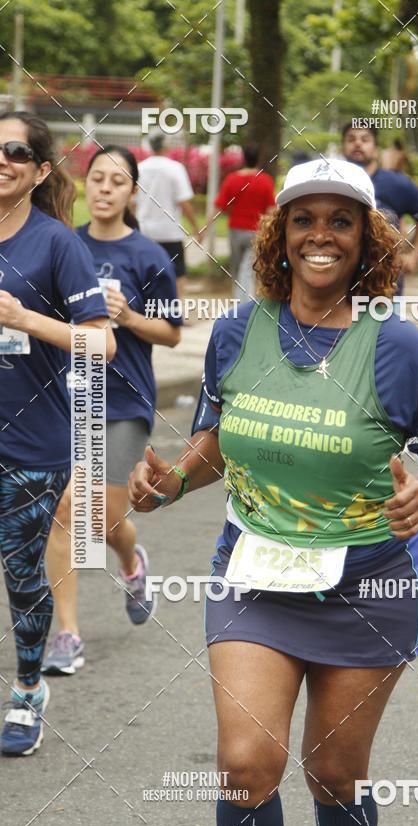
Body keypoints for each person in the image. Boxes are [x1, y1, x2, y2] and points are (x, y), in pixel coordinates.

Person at [128, 158, 418, 826]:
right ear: (278, 234)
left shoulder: (397, 344)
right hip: (256, 572)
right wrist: (171, 481)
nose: (322, 235)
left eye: (340, 220)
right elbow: (216, 438)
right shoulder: (237, 331)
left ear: (366, 238)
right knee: (246, 764)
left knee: (333, 773)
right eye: (304, 219)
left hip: (368, 583)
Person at [0, 112, 116, 756]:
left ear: (41, 169)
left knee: (21, 574)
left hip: (29, 440)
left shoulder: (57, 244)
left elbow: (102, 342)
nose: (3, 159)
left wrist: (25, 318)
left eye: (16, 151)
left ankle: (26, 690)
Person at [42, 145, 182, 676]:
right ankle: (68, 634)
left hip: (123, 400)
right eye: (96, 178)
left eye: (116, 182)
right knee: (66, 512)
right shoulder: (61, 244)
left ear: (132, 193)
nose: (104, 188)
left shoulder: (149, 256)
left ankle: (130, 560)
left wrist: (128, 317)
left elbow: (171, 334)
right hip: (66, 394)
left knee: (103, 519)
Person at [341, 123, 418, 297]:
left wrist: (414, 257)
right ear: (343, 147)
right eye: (351, 139)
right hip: (339, 288)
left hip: (386, 290)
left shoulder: (397, 184)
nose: (357, 143)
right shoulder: (332, 184)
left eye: (365, 139)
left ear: (376, 149)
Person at [206, 142, 275, 303]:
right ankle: (251, 303)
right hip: (256, 231)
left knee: (238, 269)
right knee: (252, 269)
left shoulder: (232, 179)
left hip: (235, 230)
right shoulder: (265, 180)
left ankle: (240, 302)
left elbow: (219, 207)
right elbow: (271, 209)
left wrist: (204, 230)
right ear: (258, 159)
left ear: (244, 158)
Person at [136, 131, 201, 299]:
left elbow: (131, 201)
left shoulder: (139, 168)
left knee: (145, 272)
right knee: (178, 273)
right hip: (169, 232)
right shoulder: (175, 168)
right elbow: (184, 201)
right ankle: (176, 310)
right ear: (166, 145)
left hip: (144, 231)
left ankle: (146, 308)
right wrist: (196, 228)